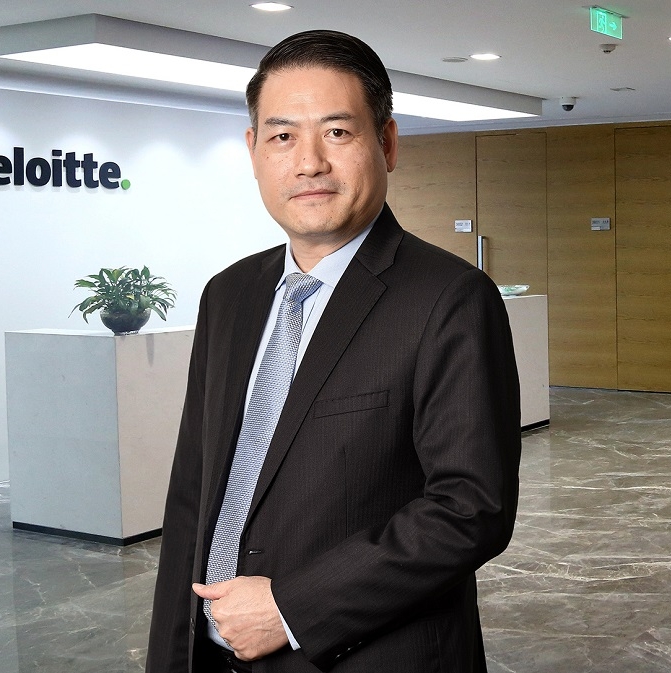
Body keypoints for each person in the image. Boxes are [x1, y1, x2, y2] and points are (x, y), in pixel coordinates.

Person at [146, 29, 521, 673]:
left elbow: (470, 509)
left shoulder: (450, 298)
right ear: (253, 150)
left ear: (388, 143)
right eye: (282, 137)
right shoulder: (228, 294)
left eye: (338, 132)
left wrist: (291, 609)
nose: (308, 162)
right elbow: (192, 494)